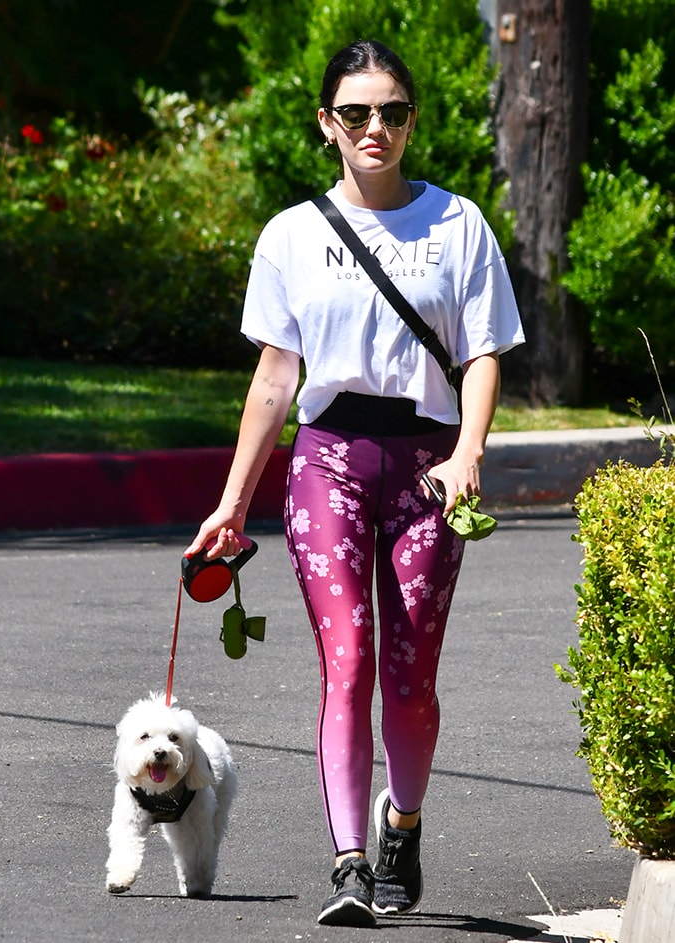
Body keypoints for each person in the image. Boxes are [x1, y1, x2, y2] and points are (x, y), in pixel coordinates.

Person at [185, 39, 524, 928]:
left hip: (429, 466)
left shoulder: (459, 225)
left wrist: (468, 456)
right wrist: (230, 501)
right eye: (358, 113)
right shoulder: (292, 234)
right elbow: (274, 377)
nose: (377, 128)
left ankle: (401, 824)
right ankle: (347, 861)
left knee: (411, 679)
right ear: (328, 124)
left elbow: (484, 353)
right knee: (350, 659)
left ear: (412, 122)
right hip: (329, 457)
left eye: (394, 112)